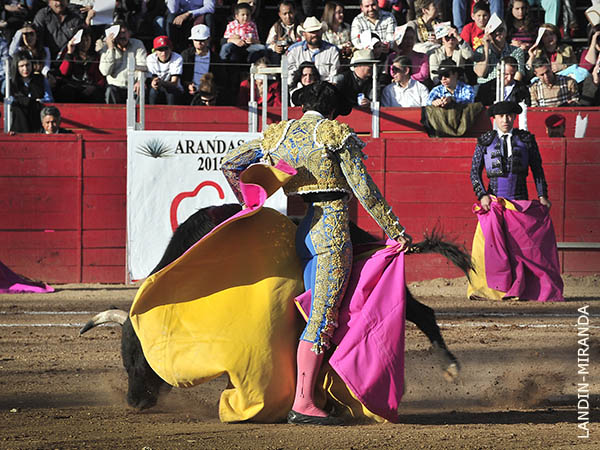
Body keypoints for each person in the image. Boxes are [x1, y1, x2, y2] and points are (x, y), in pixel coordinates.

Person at [221, 80, 411, 425]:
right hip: (332, 231)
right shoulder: (334, 134)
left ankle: (314, 393)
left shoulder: (279, 135)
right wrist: (396, 231)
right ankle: (304, 401)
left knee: (313, 312)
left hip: (303, 228)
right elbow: (365, 191)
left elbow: (231, 162)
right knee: (322, 317)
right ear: (333, 108)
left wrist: (250, 203)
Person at [468, 100, 563, 302]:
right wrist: (482, 194)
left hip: (519, 203)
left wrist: (542, 195)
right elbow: (475, 172)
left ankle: (520, 288)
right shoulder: (485, 141)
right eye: (502, 116)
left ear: (515, 117)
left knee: (519, 249)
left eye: (510, 115)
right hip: (493, 203)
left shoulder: (526, 140)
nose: (506, 119)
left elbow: (537, 169)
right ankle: (488, 289)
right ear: (495, 118)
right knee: (490, 247)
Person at [99, 21, 147, 104]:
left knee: (141, 89)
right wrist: (111, 49)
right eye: (119, 33)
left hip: (133, 86)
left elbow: (143, 66)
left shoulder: (138, 44)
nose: (122, 36)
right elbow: (105, 71)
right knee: (110, 91)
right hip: (115, 86)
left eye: (124, 32)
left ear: (129, 33)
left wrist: (140, 81)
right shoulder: (106, 48)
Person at [8, 50, 53, 133]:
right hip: (20, 118)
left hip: (36, 114)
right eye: (21, 66)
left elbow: (49, 98)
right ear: (16, 67)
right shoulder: (11, 83)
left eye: (27, 65)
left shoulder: (40, 79)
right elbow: (10, 100)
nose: (25, 69)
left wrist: (41, 101)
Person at [57, 27, 105, 103]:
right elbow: (63, 72)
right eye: (82, 41)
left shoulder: (96, 57)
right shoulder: (69, 54)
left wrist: (94, 87)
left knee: (97, 94)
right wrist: (69, 53)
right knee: (66, 91)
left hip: (90, 87)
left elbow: (100, 78)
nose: (85, 43)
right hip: (73, 86)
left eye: (87, 40)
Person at [286, 16, 340, 85]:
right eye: (311, 32)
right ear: (304, 34)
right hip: (300, 91)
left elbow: (334, 77)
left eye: (317, 31)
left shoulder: (332, 51)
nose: (314, 34)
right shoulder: (294, 51)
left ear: (321, 32)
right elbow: (290, 77)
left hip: (325, 90)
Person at [473, 19, 525, 84]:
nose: (497, 33)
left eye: (500, 30)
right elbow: (480, 73)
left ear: (506, 32)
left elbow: (518, 74)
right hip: (485, 88)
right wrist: (486, 47)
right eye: (493, 31)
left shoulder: (516, 51)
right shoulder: (480, 50)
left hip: (509, 87)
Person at [181, 24, 221, 105]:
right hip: (189, 94)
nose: (199, 43)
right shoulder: (186, 55)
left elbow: (221, 79)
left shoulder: (216, 58)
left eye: (202, 40)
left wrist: (210, 88)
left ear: (208, 39)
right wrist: (188, 84)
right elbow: (181, 76)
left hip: (209, 95)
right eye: (196, 40)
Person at [146, 35, 183, 105]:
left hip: (173, 88)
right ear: (155, 51)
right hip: (157, 88)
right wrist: (154, 82)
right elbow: (153, 78)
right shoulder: (150, 58)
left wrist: (161, 83)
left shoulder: (177, 58)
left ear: (171, 48)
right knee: (153, 92)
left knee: (171, 92)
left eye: (166, 49)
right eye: (160, 50)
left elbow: (174, 82)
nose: (163, 53)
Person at [265, 0, 301, 65]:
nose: (288, 16)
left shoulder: (301, 26)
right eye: (285, 14)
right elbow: (267, 45)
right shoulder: (276, 27)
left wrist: (291, 46)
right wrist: (275, 47)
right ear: (280, 14)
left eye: (290, 13)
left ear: (295, 12)